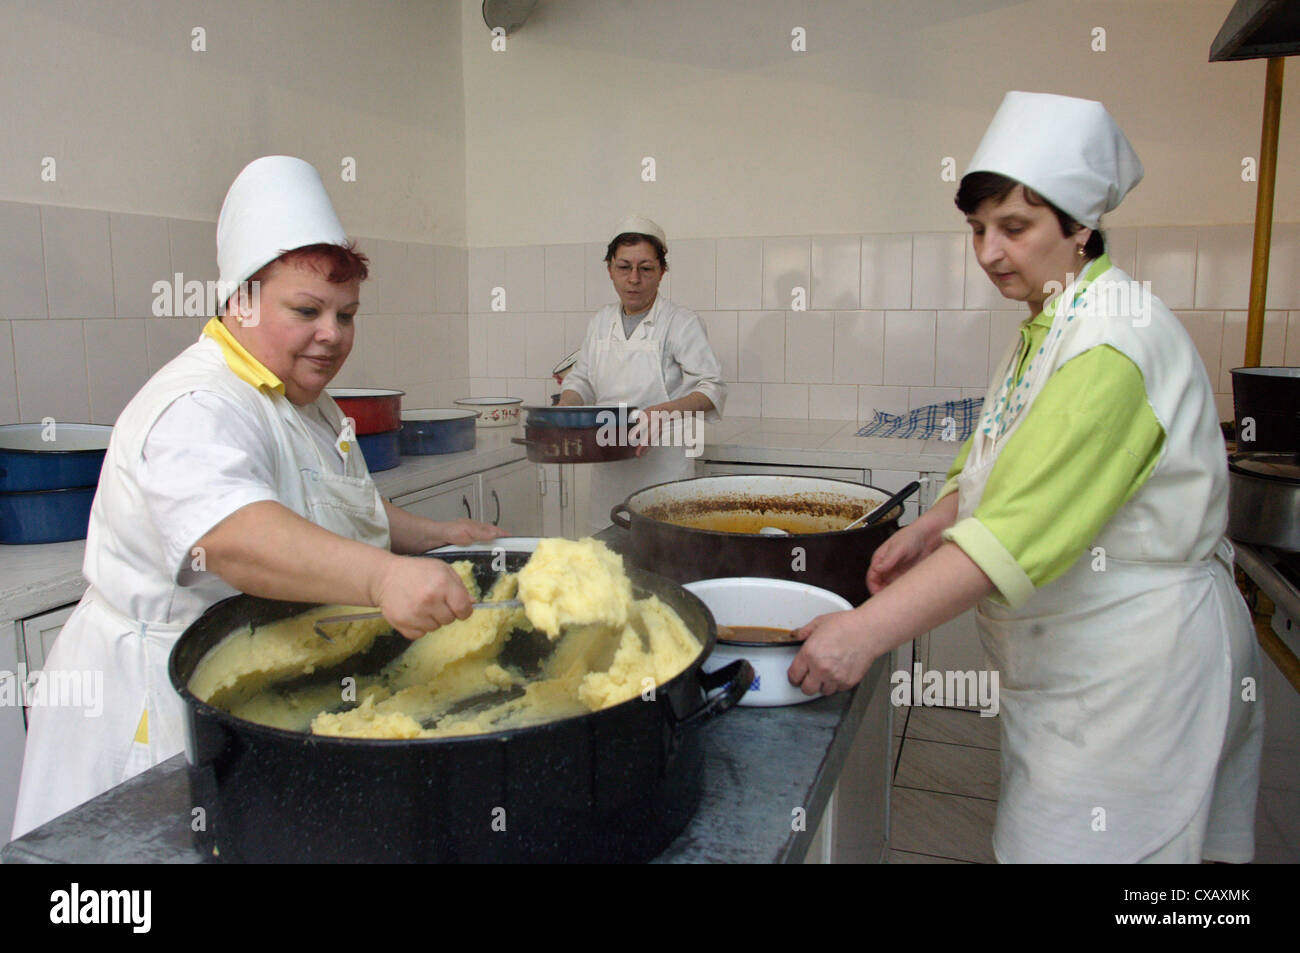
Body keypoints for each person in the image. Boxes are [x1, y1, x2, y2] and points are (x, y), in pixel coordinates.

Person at [788, 92, 1263, 863]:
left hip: (1135, 672)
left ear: (1079, 226)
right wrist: (933, 522)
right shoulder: (1055, 316)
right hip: (1084, 664)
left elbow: (1012, 531)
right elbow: (1003, 447)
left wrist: (863, 633)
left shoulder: (1112, 342)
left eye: (1016, 227)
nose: (988, 252)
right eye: (978, 228)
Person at [11, 156, 504, 838]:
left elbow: (326, 501)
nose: (332, 333)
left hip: (257, 691)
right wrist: (384, 575)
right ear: (239, 301)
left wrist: (427, 534)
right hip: (156, 708)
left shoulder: (304, 399)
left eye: (347, 314)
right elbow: (237, 537)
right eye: (307, 310)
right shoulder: (199, 404)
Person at [557, 216, 726, 530]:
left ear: (662, 272)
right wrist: (564, 409)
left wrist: (661, 412)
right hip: (608, 468)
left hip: (663, 469)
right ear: (610, 269)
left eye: (646, 268)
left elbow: (711, 387)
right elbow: (581, 378)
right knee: (610, 558)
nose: (634, 279)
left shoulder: (681, 322)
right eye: (624, 267)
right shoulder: (600, 322)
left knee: (660, 557)